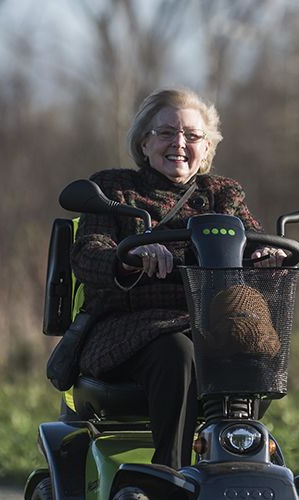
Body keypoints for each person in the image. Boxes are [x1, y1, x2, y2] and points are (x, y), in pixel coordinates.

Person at [71, 88, 287, 468]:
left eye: (191, 135)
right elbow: (89, 253)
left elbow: (252, 241)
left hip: (210, 325)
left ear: (207, 148)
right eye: (166, 132)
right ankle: (169, 472)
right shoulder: (113, 189)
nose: (179, 143)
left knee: (247, 340)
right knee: (179, 352)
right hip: (131, 329)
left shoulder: (224, 194)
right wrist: (130, 256)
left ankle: (241, 464)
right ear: (144, 141)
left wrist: (266, 257)